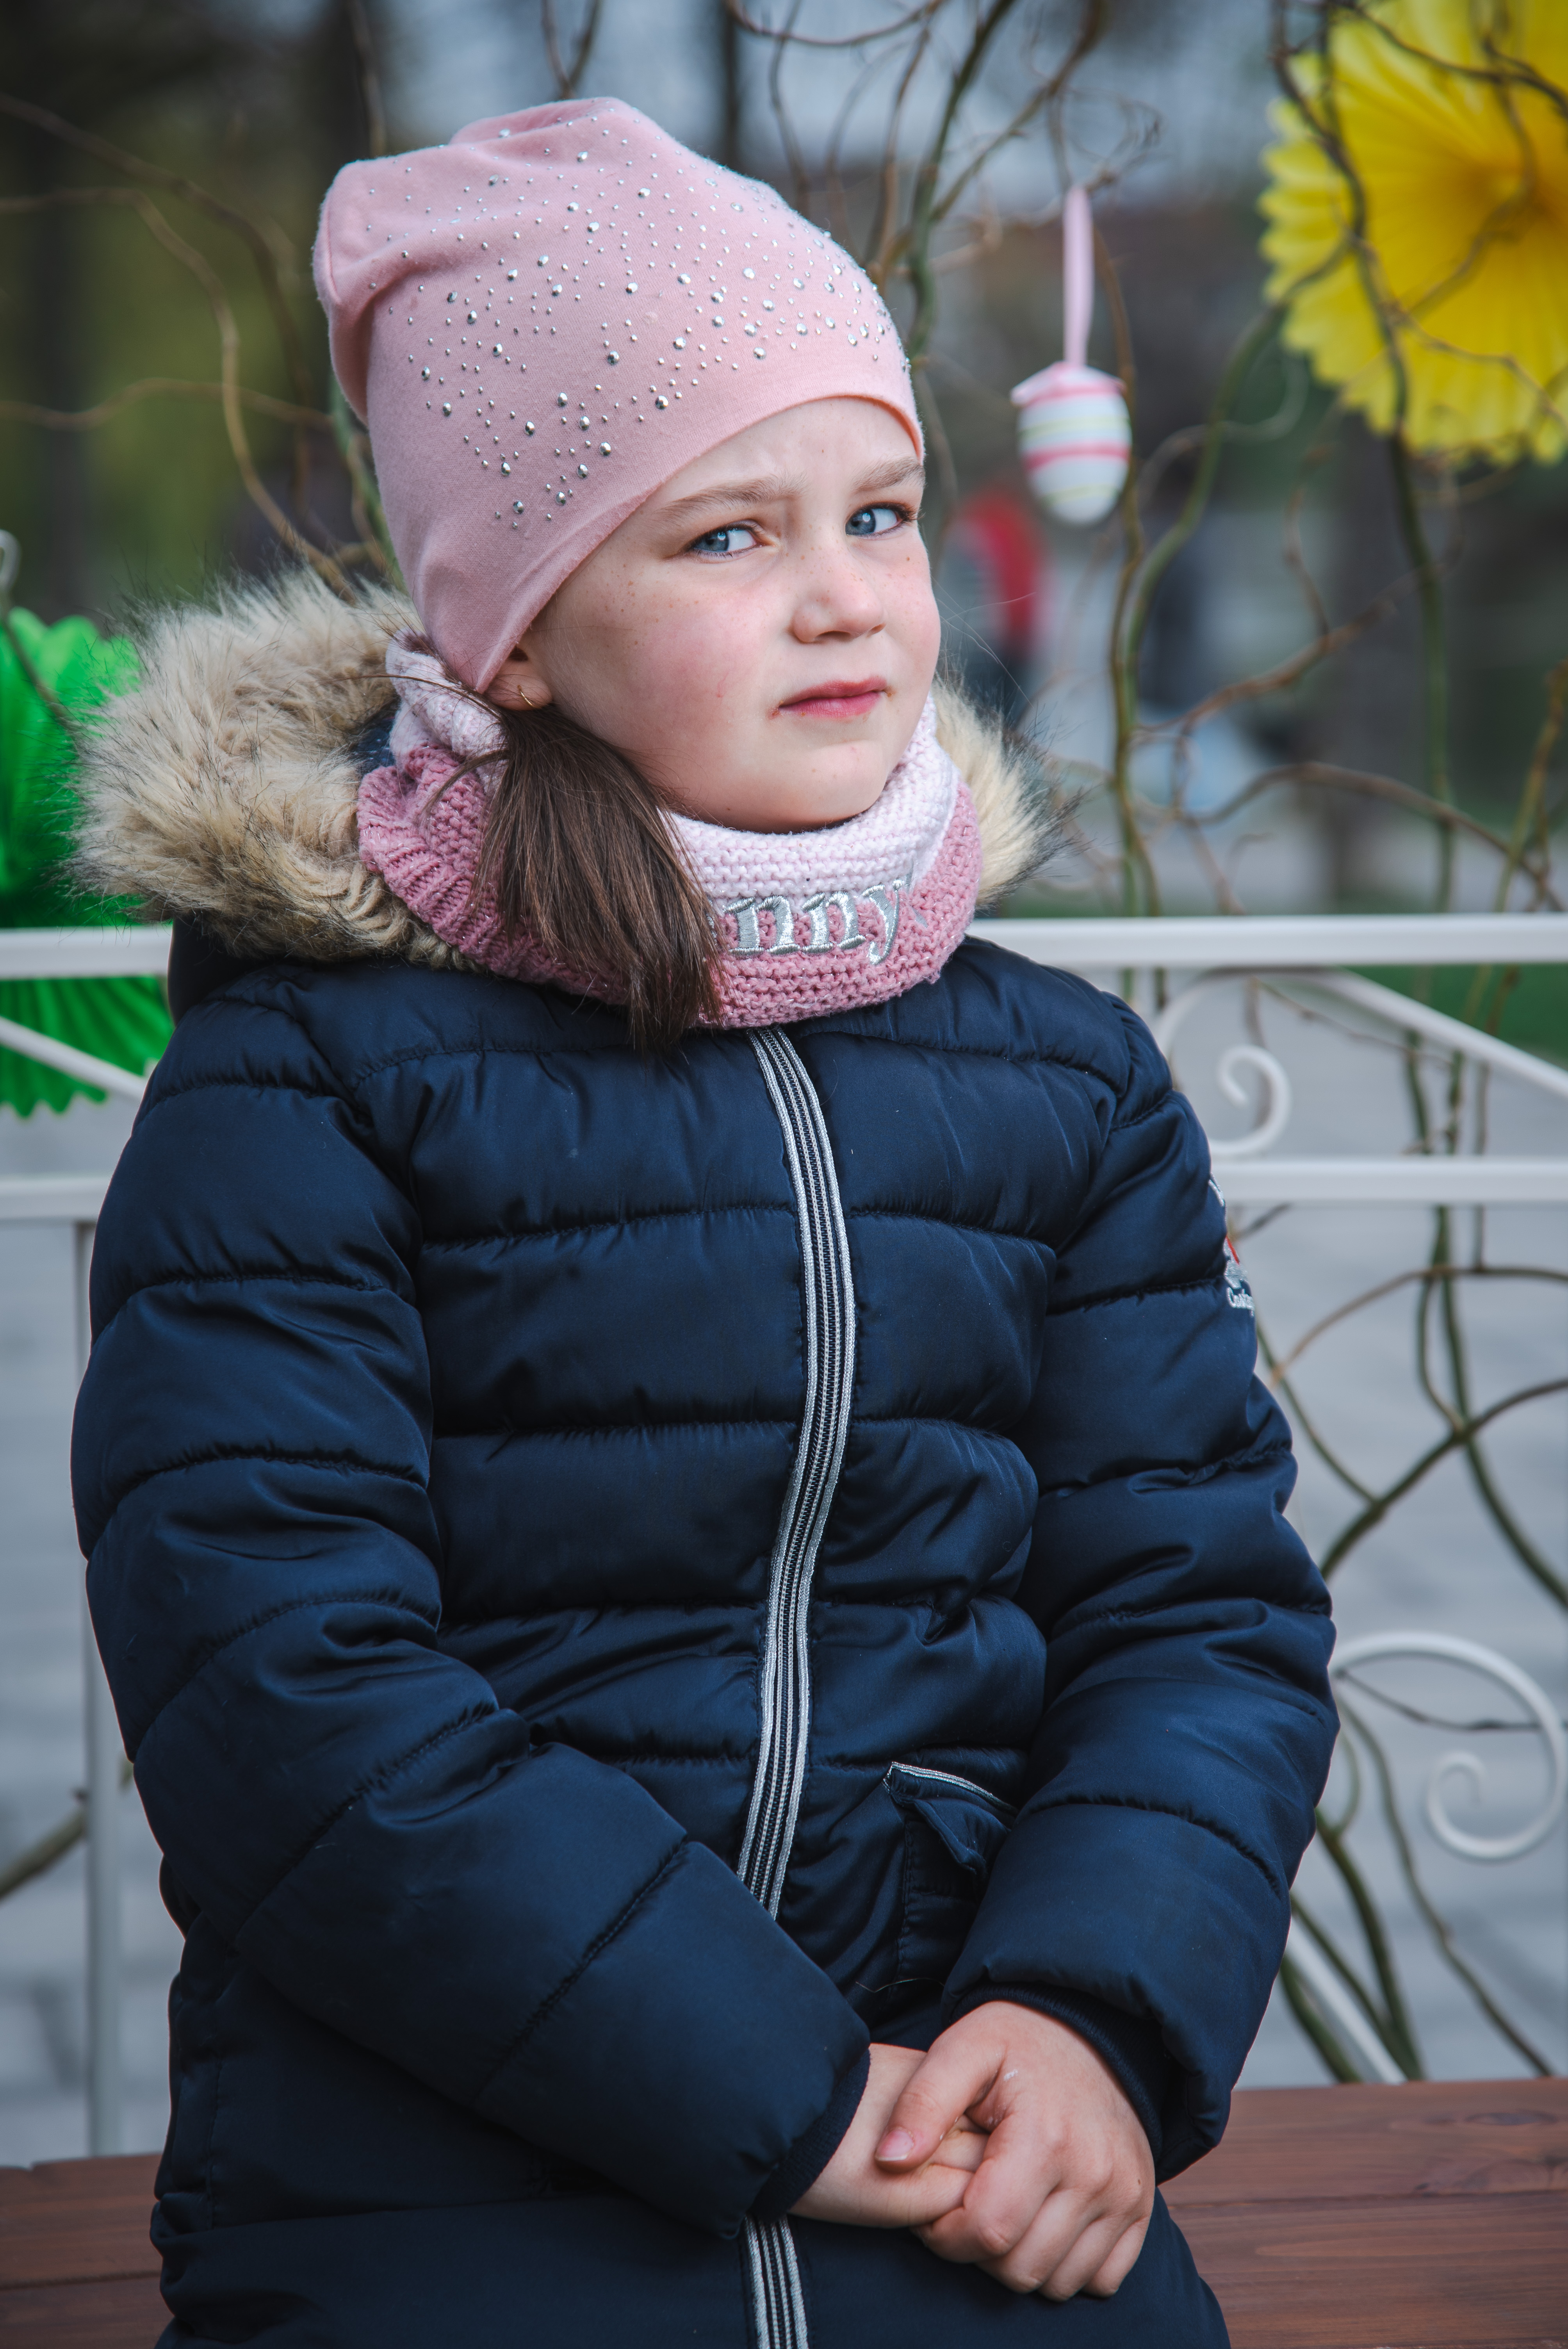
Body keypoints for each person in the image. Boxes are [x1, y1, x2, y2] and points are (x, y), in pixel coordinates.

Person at [70, 97, 1335, 2349]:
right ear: (518, 635)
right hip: (438, 2164)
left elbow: (1196, 1614)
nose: (844, 593)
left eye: (877, 512)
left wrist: (1091, 2021)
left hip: (977, 2133)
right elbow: (279, 1679)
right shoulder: (312, 1082)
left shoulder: (1063, 1080)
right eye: (729, 533)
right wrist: (779, 2092)